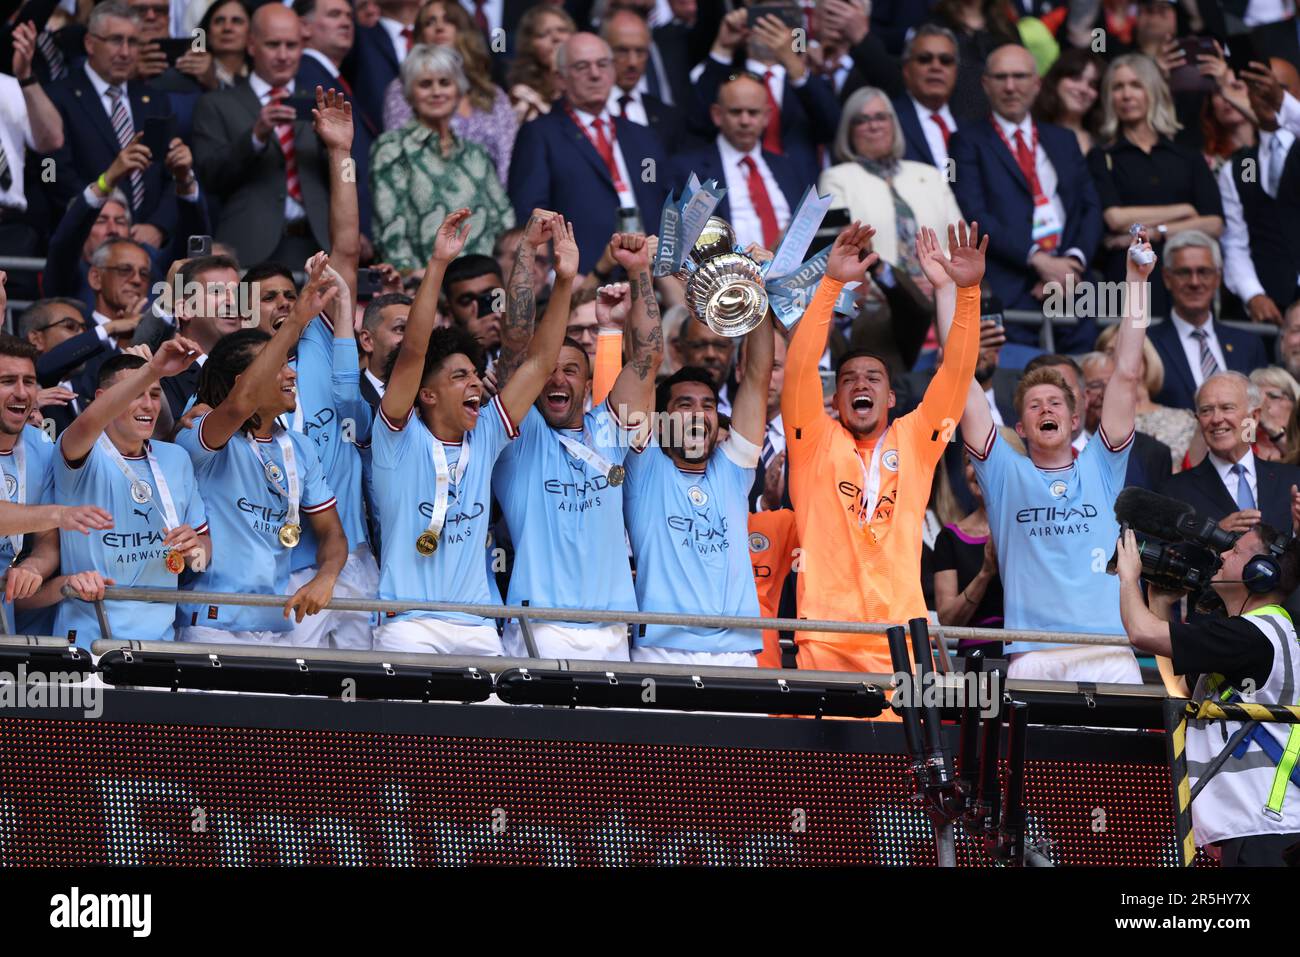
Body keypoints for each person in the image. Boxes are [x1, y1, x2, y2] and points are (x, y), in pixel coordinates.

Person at [370, 209, 577, 654]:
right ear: (425, 394)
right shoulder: (397, 438)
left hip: (477, 624)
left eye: (473, 374)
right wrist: (439, 264)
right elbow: (413, 352)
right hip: (409, 623)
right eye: (459, 377)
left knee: (497, 725)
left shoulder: (485, 433)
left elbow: (540, 364)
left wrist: (564, 281)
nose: (473, 384)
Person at [784, 221, 982, 675]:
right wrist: (830, 284)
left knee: (905, 749)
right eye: (849, 379)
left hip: (901, 642)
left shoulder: (916, 439)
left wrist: (965, 293)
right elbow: (798, 369)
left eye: (874, 378)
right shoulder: (813, 440)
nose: (861, 384)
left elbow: (956, 374)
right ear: (834, 401)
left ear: (891, 399)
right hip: (825, 639)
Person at [961, 228, 1156, 683]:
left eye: (1056, 404)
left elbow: (1126, 373)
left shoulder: (1101, 466)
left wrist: (1137, 280)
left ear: (1075, 420)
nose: (1046, 408)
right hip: (1035, 655)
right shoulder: (1005, 475)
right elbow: (961, 382)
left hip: (1109, 648)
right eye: (1034, 405)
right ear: (1022, 427)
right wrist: (961, 291)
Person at [492, 227, 659, 659]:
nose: (556, 378)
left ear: (587, 386)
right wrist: (531, 256)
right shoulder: (519, 436)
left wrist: (640, 272)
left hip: (611, 631)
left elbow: (646, 357)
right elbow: (513, 342)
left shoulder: (609, 430)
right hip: (541, 629)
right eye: (547, 369)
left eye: (570, 370)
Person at [175, 260, 348, 644]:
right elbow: (238, 406)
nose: (292, 374)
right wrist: (296, 320)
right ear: (245, 383)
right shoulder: (202, 435)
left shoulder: (300, 449)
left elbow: (332, 532)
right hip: (211, 624)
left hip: (275, 625)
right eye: (277, 366)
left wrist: (326, 577)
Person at [1116, 524, 1300, 866]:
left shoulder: (1253, 634)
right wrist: (1158, 602)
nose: (1223, 556)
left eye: (1236, 551)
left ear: (1260, 572)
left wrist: (1129, 576)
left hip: (1266, 826)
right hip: (1254, 824)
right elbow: (1180, 689)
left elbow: (1141, 633)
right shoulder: (1248, 636)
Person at [622, 311, 773, 664]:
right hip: (662, 648)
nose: (698, 413)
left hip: (736, 650)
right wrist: (637, 274)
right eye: (684, 405)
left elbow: (757, 376)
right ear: (659, 421)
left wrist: (758, 301)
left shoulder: (733, 471)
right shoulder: (644, 469)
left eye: (708, 405)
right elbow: (639, 368)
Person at [46, 345, 211, 648]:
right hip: (90, 642)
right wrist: (153, 369)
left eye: (154, 394)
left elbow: (201, 559)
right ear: (101, 399)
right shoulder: (80, 452)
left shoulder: (177, 459)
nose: (148, 405)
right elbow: (88, 423)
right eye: (135, 394)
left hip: (160, 645)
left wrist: (195, 552)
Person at [949, 43, 1102, 360]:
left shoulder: (1062, 138)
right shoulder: (967, 140)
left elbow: (1090, 207)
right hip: (1011, 285)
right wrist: (1038, 261)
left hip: (1073, 283)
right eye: (1000, 77)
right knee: (1023, 383)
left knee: (1084, 375)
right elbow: (975, 213)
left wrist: (1071, 263)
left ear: (1037, 83)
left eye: (1019, 76)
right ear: (985, 84)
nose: (1010, 86)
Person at [507, 32, 667, 273]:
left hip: (652, 274)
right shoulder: (539, 134)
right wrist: (556, 275)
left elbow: (666, 204)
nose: (595, 74)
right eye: (582, 67)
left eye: (603, 65)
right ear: (560, 78)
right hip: (583, 277)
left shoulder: (641, 135)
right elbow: (531, 215)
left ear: (613, 72)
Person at [191, 5, 331, 266]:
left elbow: (349, 176)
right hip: (248, 247)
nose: (283, 55)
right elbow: (209, 177)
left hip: (319, 245)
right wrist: (255, 137)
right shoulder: (216, 104)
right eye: (273, 45)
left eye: (291, 45)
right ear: (252, 45)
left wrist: (331, 145)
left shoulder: (322, 101)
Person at [1088, 54, 1224, 318]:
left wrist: (1157, 231)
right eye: (1117, 87)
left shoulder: (1187, 156)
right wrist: (1185, 210)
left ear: (1153, 91)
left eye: (1136, 85)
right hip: (1127, 276)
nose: (1126, 95)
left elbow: (1214, 225)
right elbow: (1116, 219)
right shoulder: (1102, 156)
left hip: (1186, 276)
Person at [44, 2, 181, 250]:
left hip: (148, 248)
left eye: (133, 42)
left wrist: (158, 226)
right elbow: (51, 172)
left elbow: (173, 173)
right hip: (84, 244)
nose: (126, 52)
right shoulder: (57, 97)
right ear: (89, 43)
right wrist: (104, 220)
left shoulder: (155, 100)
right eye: (116, 40)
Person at [370, 44, 513, 272]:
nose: (437, 92)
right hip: (423, 284)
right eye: (426, 84)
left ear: (459, 90)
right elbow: (390, 228)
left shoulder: (476, 152)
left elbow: (504, 220)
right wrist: (410, 277)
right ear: (409, 93)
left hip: (483, 285)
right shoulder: (392, 148)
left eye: (445, 83)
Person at [819, 87, 962, 293]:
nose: (874, 125)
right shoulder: (836, 178)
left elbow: (960, 238)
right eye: (862, 120)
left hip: (941, 295)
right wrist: (902, 288)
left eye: (881, 117)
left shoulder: (930, 175)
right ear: (849, 130)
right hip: (876, 306)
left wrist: (940, 277)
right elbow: (841, 251)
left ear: (894, 124)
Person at [692, 4, 839, 185]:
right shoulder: (724, 78)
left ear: (796, 31)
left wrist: (793, 62)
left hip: (800, 189)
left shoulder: (808, 81)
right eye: (762, 20)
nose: (771, 28)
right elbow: (697, 123)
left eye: (781, 21)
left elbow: (832, 128)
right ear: (747, 27)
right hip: (738, 188)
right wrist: (723, 48)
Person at [380, 0, 517, 184]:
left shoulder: (494, 94)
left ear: (465, 31)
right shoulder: (402, 88)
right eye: (429, 22)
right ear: (420, 36)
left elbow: (508, 160)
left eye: (449, 20)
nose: (439, 27)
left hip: (492, 203)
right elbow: (400, 153)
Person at [668, 73, 802, 252]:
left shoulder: (788, 167)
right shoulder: (686, 170)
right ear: (717, 115)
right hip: (724, 276)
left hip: (789, 277)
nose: (745, 121)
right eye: (736, 112)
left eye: (753, 112)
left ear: (766, 116)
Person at [1160, 371, 1300, 534]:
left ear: (1254, 417)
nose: (1216, 419)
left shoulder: (1293, 479)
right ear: (1198, 420)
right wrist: (1212, 533)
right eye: (1206, 411)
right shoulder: (1174, 491)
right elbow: (1169, 550)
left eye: (1227, 408)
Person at [1146, 231, 1270, 411]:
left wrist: (1247, 437)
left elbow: (1257, 412)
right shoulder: (1146, 343)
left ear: (1218, 278)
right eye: (1184, 272)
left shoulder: (1248, 344)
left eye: (1203, 272)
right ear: (1167, 278)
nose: (1195, 282)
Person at [1092, 323, 1196, 469]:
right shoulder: (1098, 422)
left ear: (1146, 357)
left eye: (1128, 348)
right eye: (1110, 352)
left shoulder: (1186, 420)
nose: (1120, 357)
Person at [601, 8, 686, 154]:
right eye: (622, 51)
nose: (633, 62)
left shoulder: (668, 117)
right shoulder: (585, 110)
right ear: (602, 49)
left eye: (640, 52)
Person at [890, 24, 961, 170]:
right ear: (906, 69)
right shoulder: (889, 119)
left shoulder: (971, 120)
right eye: (924, 59)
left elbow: (954, 177)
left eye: (946, 60)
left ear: (956, 71)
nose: (936, 67)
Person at [504, 5, 574, 124]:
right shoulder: (524, 97)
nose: (556, 38)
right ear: (529, 45)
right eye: (544, 34)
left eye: (562, 30)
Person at [1032, 47, 1103, 158]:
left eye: (1092, 85)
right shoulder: (1030, 131)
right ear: (1056, 81)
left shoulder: (1104, 141)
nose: (1083, 89)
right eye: (1075, 78)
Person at [358, 293, 410, 410]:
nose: (412, 339)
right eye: (400, 329)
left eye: (417, 330)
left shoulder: (430, 398)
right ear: (367, 340)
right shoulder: (348, 396)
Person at [1250, 366, 1300, 462]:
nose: (1262, 404)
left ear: (1295, 403)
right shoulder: (1246, 439)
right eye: (1256, 398)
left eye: (1273, 396)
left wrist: (1271, 427)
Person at [199, 0, 252, 90]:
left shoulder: (264, 76)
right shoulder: (189, 78)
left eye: (237, 21)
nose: (227, 28)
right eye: (219, 21)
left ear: (252, 32)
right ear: (207, 34)